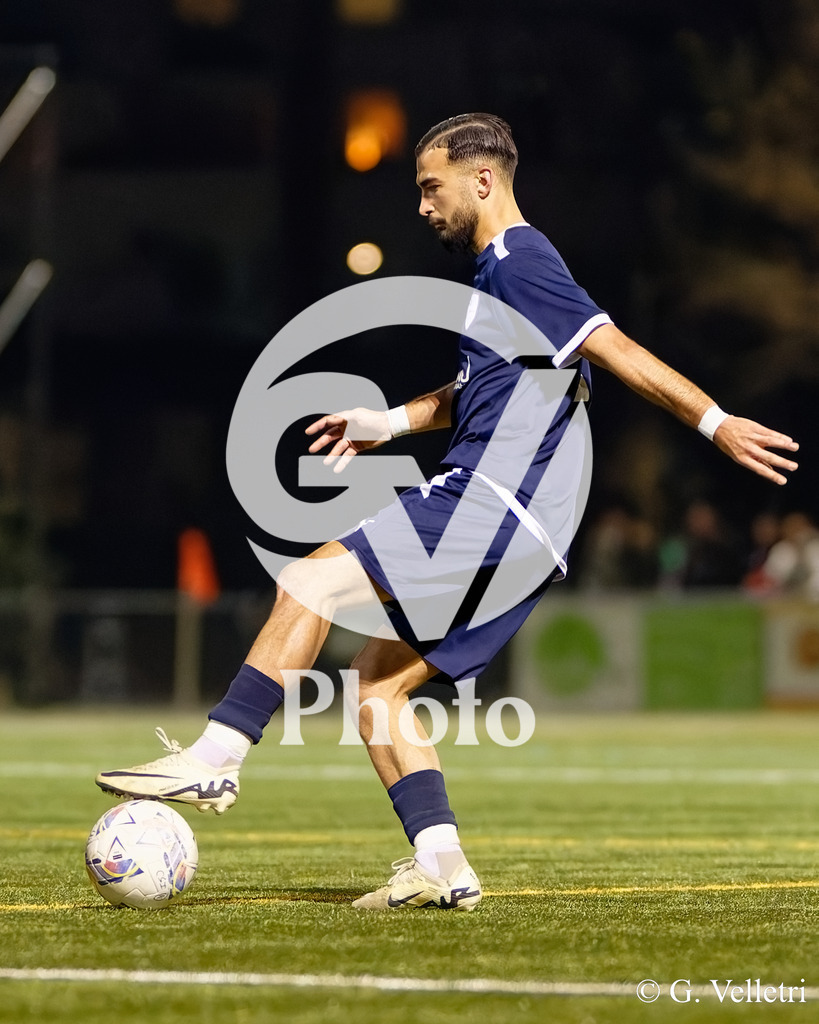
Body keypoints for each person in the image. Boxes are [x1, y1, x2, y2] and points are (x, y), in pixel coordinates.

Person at [96, 113, 799, 911]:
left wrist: (716, 422)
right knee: (376, 687)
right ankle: (441, 864)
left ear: (483, 180)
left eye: (432, 187)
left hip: (491, 504)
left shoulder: (522, 261)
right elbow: (474, 393)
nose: (423, 206)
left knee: (311, 583)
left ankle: (217, 754)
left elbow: (613, 348)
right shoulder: (494, 281)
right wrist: (387, 423)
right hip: (523, 531)